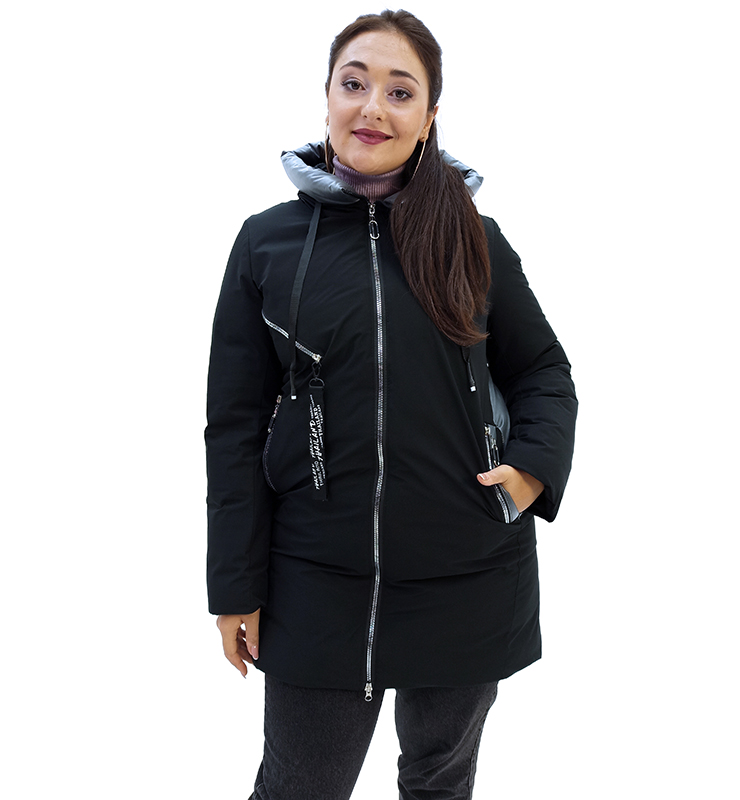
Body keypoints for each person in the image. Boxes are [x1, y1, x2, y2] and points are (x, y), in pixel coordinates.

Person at [205, 9, 577, 799]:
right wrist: (234, 584)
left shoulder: (475, 239)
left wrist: (529, 473)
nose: (373, 107)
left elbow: (544, 371)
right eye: (355, 83)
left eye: (400, 92)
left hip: (467, 569)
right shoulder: (267, 244)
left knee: (439, 784)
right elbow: (234, 428)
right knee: (300, 785)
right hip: (316, 576)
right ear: (328, 97)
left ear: (429, 116)